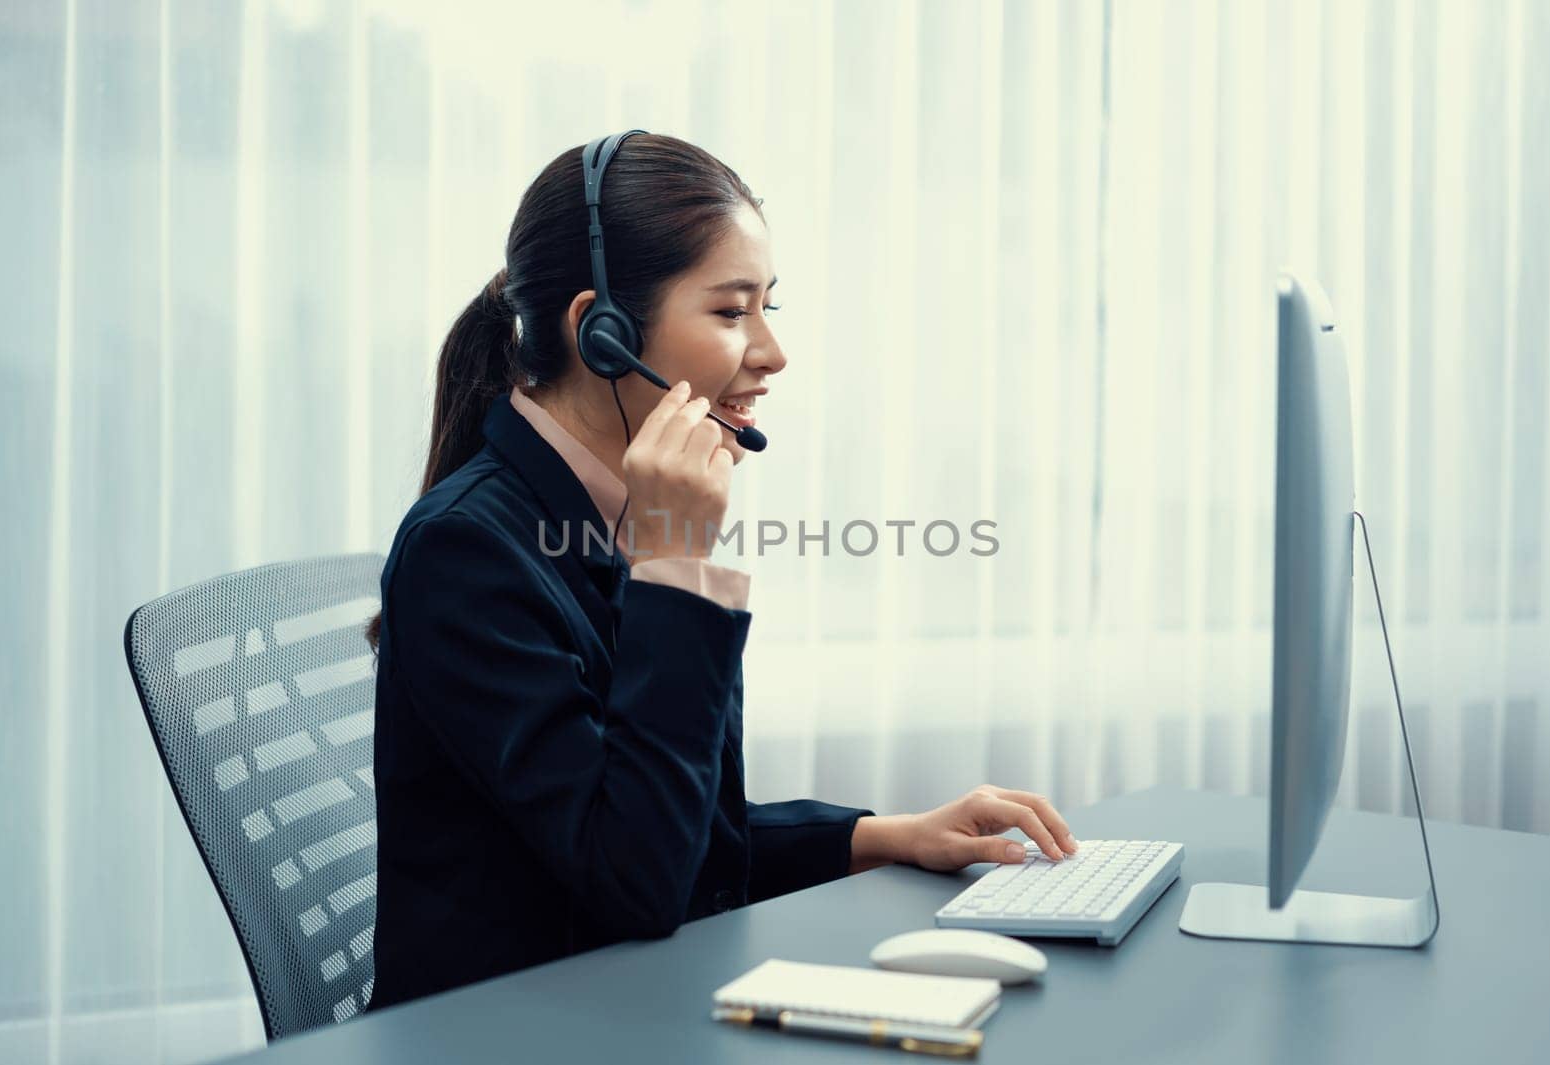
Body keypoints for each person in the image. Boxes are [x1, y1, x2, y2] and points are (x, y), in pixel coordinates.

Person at [365, 132, 1079, 1011]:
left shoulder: (610, 508)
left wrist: (888, 835)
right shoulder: (468, 551)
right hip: (513, 1032)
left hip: (620, 1005)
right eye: (732, 311)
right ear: (602, 333)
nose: (772, 352)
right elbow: (641, 879)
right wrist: (675, 564)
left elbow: (674, 824)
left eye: (766, 307)